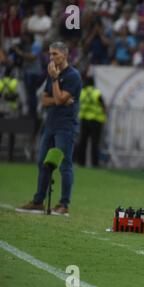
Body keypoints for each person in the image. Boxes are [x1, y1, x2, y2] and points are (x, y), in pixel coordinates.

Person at [16, 41, 82, 216]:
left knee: (64, 165)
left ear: (65, 55)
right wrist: (58, 97)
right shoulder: (52, 73)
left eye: (55, 54)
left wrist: (54, 82)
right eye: (50, 54)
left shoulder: (73, 76)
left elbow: (60, 99)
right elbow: (46, 100)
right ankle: (38, 201)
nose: (51, 57)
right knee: (43, 163)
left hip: (65, 127)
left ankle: (64, 205)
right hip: (50, 125)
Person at [77, 76, 107, 167]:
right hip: (96, 121)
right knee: (95, 143)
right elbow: (103, 106)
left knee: (83, 142)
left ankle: (81, 162)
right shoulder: (97, 93)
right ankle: (95, 163)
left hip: (84, 120)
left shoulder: (82, 93)